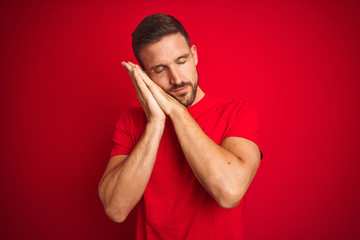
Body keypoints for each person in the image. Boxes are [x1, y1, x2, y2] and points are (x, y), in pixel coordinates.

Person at [98, 14, 262, 239]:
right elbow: (116, 209)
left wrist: (176, 111)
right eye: (159, 70)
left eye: (181, 61)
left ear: (194, 55)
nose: (176, 79)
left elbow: (230, 192)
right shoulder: (131, 121)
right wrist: (155, 123)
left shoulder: (238, 111)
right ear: (144, 76)